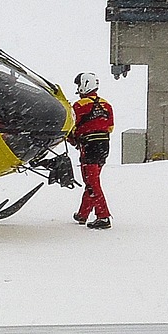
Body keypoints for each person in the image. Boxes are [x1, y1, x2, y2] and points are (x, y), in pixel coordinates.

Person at [69, 72, 113, 230]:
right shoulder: (107, 104)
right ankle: (83, 214)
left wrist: (73, 138)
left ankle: (103, 217)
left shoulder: (79, 106)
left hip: (89, 147)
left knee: (92, 182)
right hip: (104, 146)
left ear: (83, 85)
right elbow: (110, 127)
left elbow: (71, 127)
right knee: (92, 180)